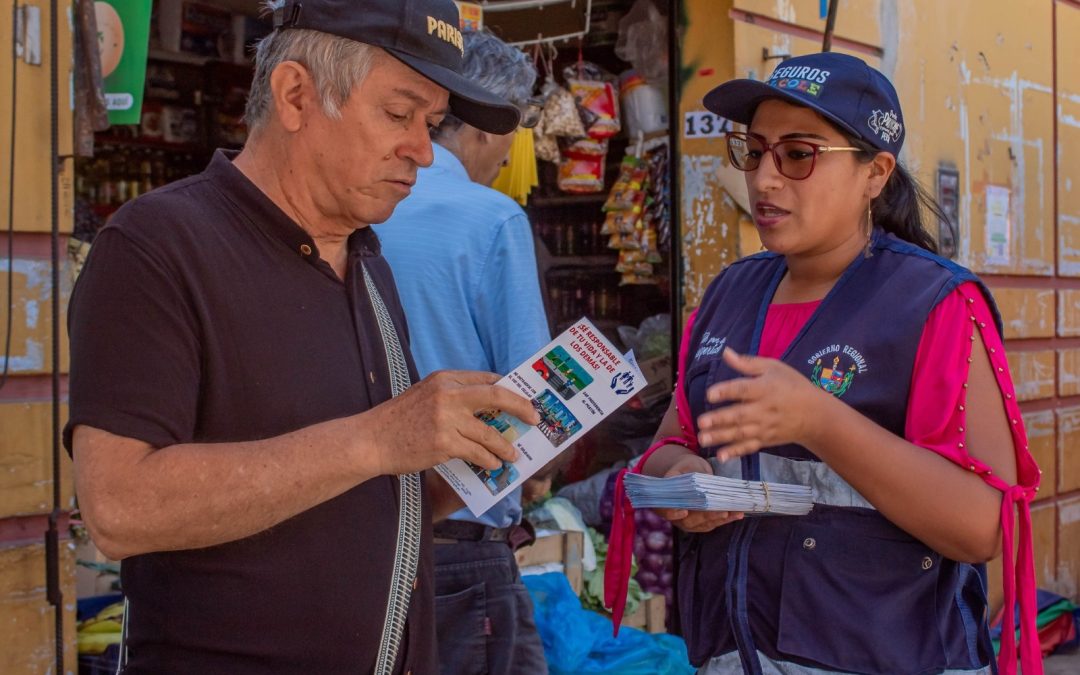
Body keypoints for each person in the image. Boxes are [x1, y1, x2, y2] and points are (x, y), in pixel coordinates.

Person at [64, 1, 542, 673]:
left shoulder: (366, 259)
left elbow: (348, 488)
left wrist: (460, 463)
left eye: (432, 124)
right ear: (295, 95)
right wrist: (379, 437)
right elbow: (118, 505)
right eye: (400, 114)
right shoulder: (157, 246)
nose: (423, 150)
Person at [605, 52, 1042, 674]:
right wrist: (683, 479)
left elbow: (981, 528)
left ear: (875, 173)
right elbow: (671, 438)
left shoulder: (934, 303)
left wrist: (821, 422)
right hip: (733, 655)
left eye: (799, 155)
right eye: (754, 151)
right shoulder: (731, 291)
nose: (764, 180)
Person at [374, 30, 550, 675]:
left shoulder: (356, 207)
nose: (510, 152)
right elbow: (532, 401)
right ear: (488, 123)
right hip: (459, 537)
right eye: (515, 128)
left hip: (358, 530)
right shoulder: (491, 217)